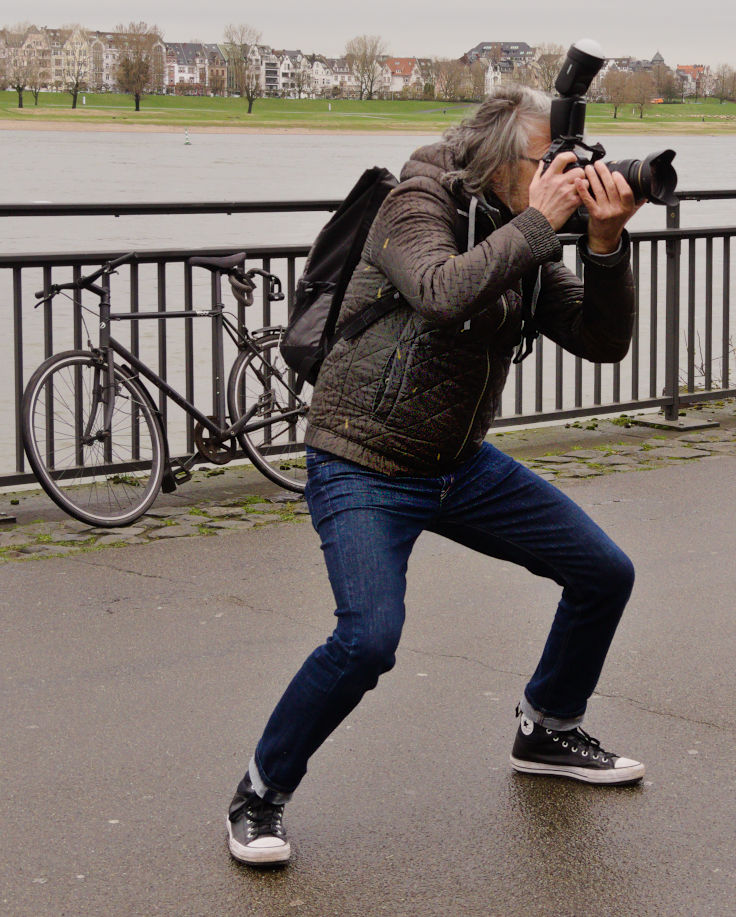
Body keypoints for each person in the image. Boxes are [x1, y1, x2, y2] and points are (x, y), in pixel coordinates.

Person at [226, 85, 646, 866]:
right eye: (546, 159)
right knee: (369, 638)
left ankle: (548, 725)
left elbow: (601, 340)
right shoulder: (415, 200)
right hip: (362, 457)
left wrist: (606, 245)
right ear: (497, 162)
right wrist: (542, 222)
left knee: (603, 572)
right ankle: (260, 791)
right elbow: (441, 292)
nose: (562, 172)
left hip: (457, 464)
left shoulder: (526, 237)